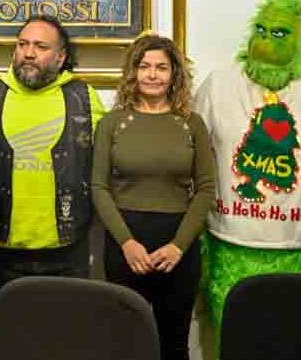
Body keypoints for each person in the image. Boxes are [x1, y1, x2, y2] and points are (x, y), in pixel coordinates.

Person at [191, 0, 301, 356]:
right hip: (230, 244)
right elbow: (191, 152)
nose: (266, 39)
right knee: (235, 342)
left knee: (296, 343)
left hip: (299, 249)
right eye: (261, 29)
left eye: (279, 33)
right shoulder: (218, 85)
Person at [0, 14, 106, 305]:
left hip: (67, 251)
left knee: (65, 332)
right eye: (23, 44)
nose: (29, 53)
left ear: (61, 57)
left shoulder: (84, 97)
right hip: (0, 250)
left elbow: (109, 165)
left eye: (41, 46)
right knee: (6, 331)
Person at [93, 34, 216, 360]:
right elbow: (99, 187)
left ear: (175, 74)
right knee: (124, 344)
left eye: (161, 67)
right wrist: (127, 243)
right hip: (125, 244)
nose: (152, 74)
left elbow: (206, 189)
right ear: (133, 72)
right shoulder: (111, 123)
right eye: (144, 66)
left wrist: (179, 246)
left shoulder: (192, 124)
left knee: (173, 344)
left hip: (177, 245)